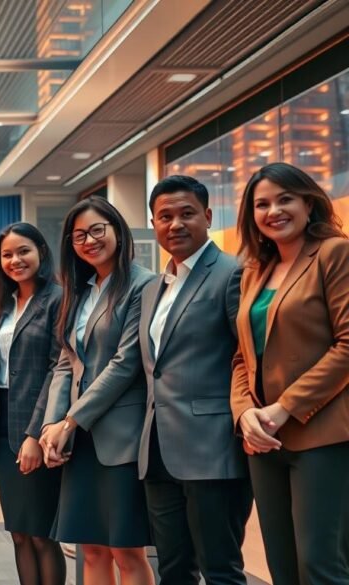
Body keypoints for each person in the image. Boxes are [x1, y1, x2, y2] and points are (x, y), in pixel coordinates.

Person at [230, 162, 349, 584]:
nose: (274, 211)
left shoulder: (334, 253)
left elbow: (347, 344)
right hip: (264, 440)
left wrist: (284, 407)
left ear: (308, 203)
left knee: (319, 566)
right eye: (262, 204)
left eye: (285, 199)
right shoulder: (254, 270)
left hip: (322, 435)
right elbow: (242, 357)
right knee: (281, 565)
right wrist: (245, 413)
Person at [138, 176, 253, 585]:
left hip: (212, 448)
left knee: (220, 569)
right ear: (153, 223)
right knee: (172, 569)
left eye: (187, 213)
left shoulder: (233, 273)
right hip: (158, 450)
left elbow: (248, 358)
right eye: (164, 216)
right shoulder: (154, 287)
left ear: (207, 216)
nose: (175, 224)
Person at [39, 197, 155, 585]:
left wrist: (70, 421)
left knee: (127, 550)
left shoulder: (143, 284)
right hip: (78, 438)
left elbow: (125, 363)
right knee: (91, 548)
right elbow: (65, 362)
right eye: (78, 236)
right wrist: (51, 424)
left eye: (97, 230)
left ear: (117, 231)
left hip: (120, 435)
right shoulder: (80, 290)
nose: (89, 241)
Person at [0, 222, 65, 585]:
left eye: (23, 251)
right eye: (7, 255)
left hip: (39, 426)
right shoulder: (3, 304)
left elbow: (56, 369)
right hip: (3, 430)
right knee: (19, 532)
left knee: (41, 533)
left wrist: (35, 434)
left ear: (41, 252)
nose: (15, 260)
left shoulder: (57, 299)